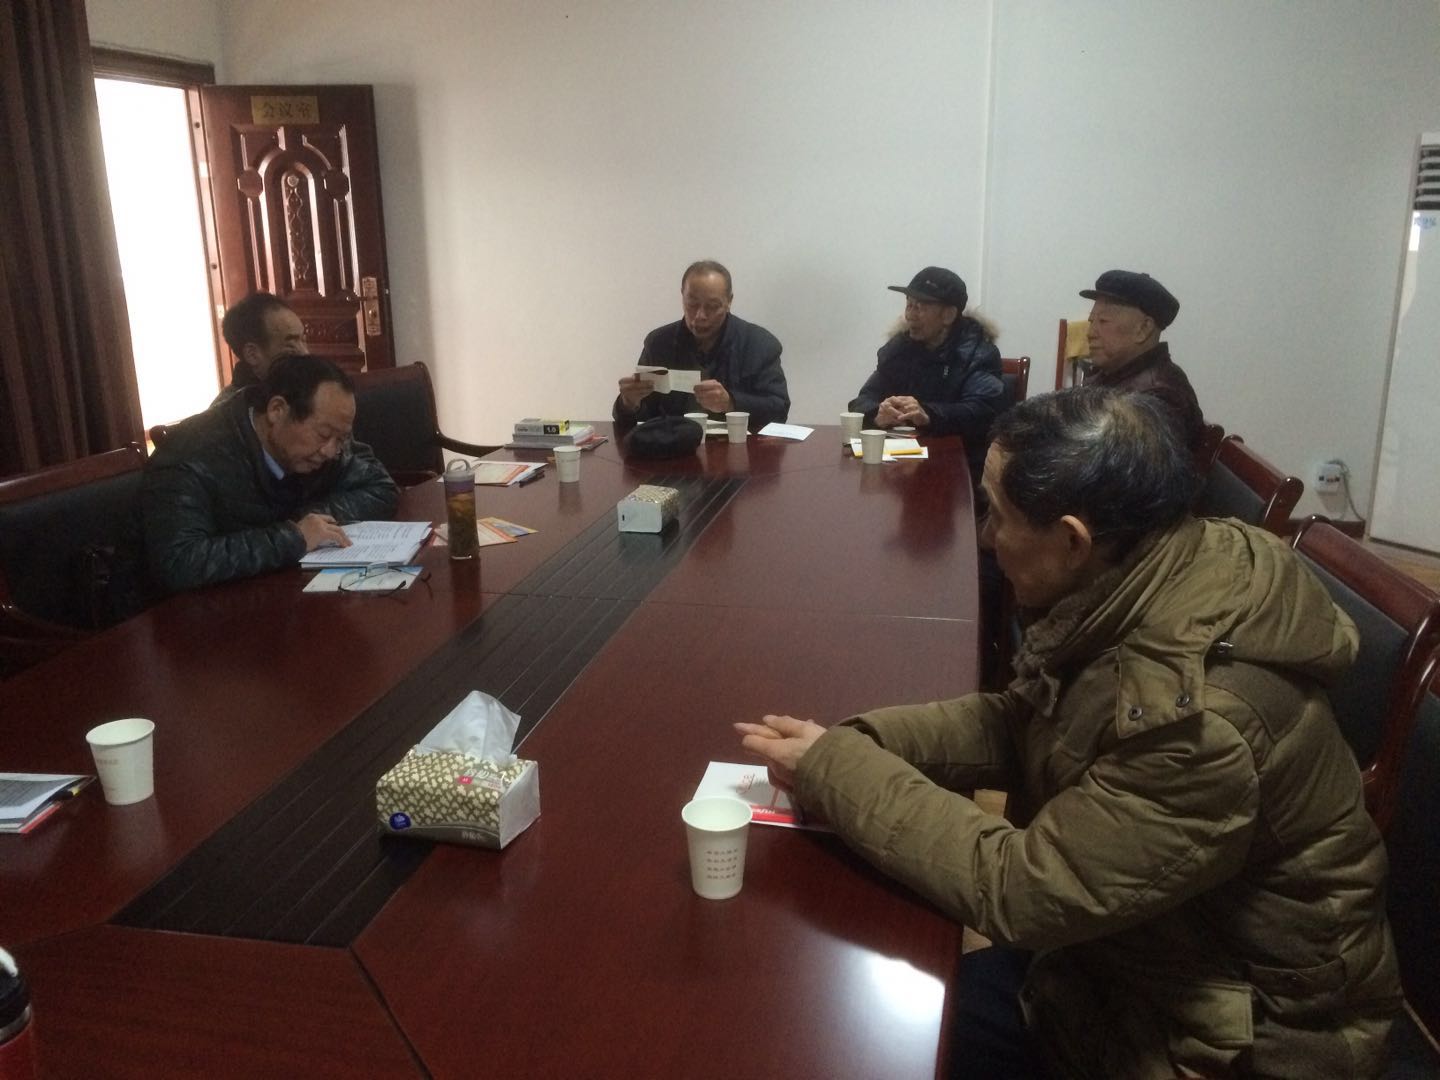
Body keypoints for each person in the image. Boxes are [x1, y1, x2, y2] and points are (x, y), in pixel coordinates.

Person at [737, 387, 1400, 1079]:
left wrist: (839, 771)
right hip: (1137, 952)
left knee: (868, 1042)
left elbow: (1025, 889)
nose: (985, 536)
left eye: (998, 514)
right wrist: (853, 745)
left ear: (1074, 540)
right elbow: (1019, 719)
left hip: (1240, 1035)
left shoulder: (1200, 722)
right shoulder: (1147, 575)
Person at [117, 353, 398, 609]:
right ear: (277, 410)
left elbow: (381, 488)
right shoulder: (191, 455)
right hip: (182, 620)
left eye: (341, 439)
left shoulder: (317, 449)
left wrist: (312, 520)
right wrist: (292, 537)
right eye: (324, 435)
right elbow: (179, 563)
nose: (331, 451)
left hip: (272, 597)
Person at [849, 266, 1005, 484]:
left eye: (920, 307)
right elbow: (862, 400)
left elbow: (982, 412)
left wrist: (929, 414)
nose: (910, 315)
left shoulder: (978, 354)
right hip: (902, 468)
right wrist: (878, 413)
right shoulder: (899, 350)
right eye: (909, 305)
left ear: (948, 315)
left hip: (959, 470)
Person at [613, 261, 788, 432]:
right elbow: (640, 419)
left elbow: (779, 410)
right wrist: (628, 402)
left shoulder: (759, 344)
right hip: (674, 446)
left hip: (740, 447)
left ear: (729, 301)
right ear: (682, 297)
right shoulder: (659, 343)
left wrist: (731, 403)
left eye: (712, 306)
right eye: (692, 304)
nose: (700, 315)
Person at [1080, 269, 1205, 453]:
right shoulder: (1112, 375)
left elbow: (1116, 464)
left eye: (1103, 321)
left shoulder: (1160, 396)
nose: (1090, 333)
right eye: (1092, 321)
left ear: (1144, 329)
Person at [213, 292, 309, 404]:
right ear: (252, 354)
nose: (305, 353)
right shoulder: (231, 410)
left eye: (303, 340)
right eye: (291, 346)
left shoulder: (306, 389)